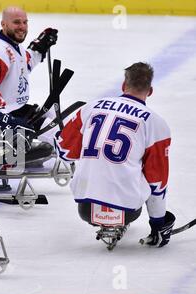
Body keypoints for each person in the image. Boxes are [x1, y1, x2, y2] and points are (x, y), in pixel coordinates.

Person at [55, 62, 175, 247]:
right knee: (152, 172)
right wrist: (158, 224)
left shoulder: (92, 107)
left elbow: (64, 150)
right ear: (150, 91)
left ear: (123, 85)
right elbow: (157, 182)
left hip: (86, 205)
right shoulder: (155, 123)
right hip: (127, 208)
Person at [0, 6, 58, 116]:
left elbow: (24, 65)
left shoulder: (14, 47)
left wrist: (38, 48)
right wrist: (1, 119)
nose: (22, 27)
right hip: (5, 117)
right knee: (52, 129)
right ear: (3, 24)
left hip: (18, 111)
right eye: (17, 22)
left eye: (25, 22)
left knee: (55, 115)